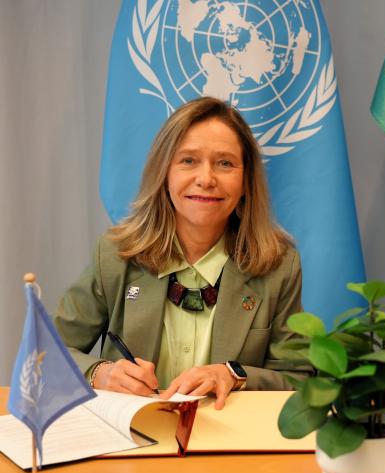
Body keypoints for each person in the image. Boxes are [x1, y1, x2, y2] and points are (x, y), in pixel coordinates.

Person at [56, 97, 308, 409]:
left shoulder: (279, 266)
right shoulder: (115, 256)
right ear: (164, 173)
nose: (205, 179)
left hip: (229, 447)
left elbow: (300, 378)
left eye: (225, 163)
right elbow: (45, 353)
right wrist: (99, 373)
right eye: (188, 160)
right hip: (132, 444)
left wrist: (236, 375)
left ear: (246, 182)